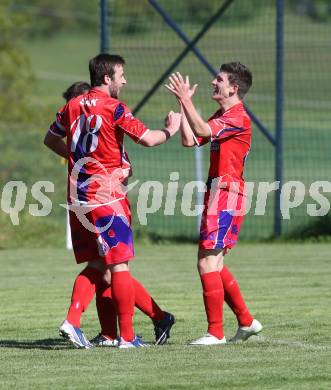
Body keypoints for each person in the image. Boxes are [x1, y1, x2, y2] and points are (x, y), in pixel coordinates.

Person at [44, 53, 180, 348]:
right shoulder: (114, 108)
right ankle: (127, 338)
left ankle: (84, 325)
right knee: (119, 266)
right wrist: (171, 128)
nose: (124, 80)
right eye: (121, 75)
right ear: (107, 78)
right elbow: (147, 139)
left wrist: (79, 160)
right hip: (106, 196)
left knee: (97, 265)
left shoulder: (71, 105)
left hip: (78, 196)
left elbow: (50, 139)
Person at [166, 62, 262, 345]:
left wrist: (186, 100)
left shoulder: (238, 117)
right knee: (213, 263)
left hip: (227, 192)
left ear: (234, 87)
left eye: (219, 79)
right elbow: (190, 139)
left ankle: (215, 333)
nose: (213, 82)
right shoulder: (223, 114)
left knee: (207, 262)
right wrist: (183, 107)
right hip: (218, 192)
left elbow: (204, 129)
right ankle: (246, 321)